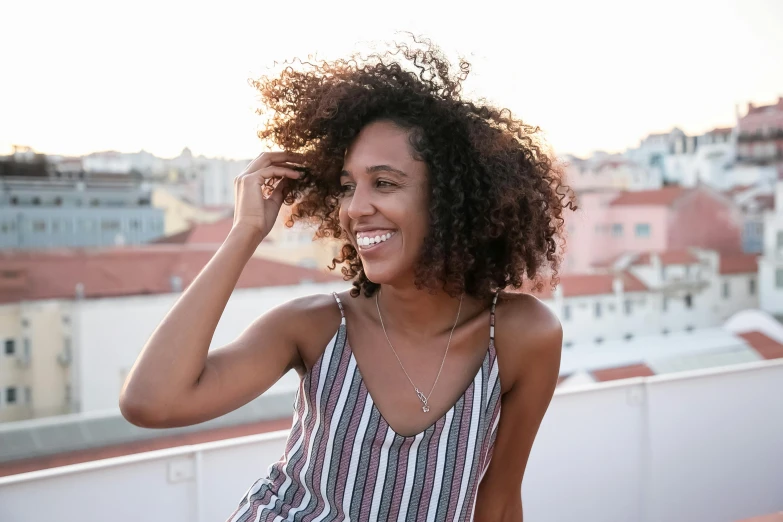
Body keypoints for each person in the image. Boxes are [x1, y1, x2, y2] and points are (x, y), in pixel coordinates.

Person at [120, 37, 573, 522]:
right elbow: (152, 402)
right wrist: (245, 233)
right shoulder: (314, 327)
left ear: (453, 198)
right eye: (346, 186)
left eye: (384, 183)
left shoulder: (522, 336)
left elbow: (499, 503)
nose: (355, 208)